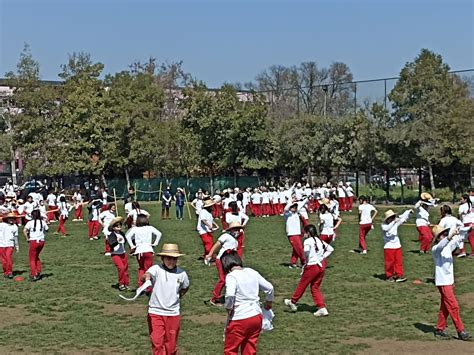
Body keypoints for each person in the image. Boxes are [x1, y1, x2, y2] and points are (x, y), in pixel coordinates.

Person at [222, 251, 274, 355]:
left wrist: (228, 307)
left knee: (230, 350)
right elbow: (270, 288)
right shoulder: (251, 271)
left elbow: (230, 295)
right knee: (249, 349)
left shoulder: (231, 276)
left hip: (239, 318)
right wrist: (268, 302)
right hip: (256, 316)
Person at [142, 243, 189, 355]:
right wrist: (147, 277)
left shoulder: (181, 274)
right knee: (157, 342)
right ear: (162, 258)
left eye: (174, 259)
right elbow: (146, 274)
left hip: (173, 313)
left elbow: (185, 287)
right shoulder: (156, 269)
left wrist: (178, 296)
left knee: (171, 345)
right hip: (155, 312)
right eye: (168, 258)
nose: (171, 261)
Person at [431, 225, 471, 341]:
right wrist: (449, 236)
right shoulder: (436, 249)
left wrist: (466, 230)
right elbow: (443, 244)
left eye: (444, 233)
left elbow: (460, 238)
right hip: (443, 282)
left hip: (449, 281)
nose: (443, 235)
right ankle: (460, 330)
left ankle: (440, 328)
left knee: (445, 306)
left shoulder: (447, 246)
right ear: (438, 238)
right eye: (441, 235)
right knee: (453, 306)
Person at [284, 224, 334, 317]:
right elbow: (331, 249)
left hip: (312, 266)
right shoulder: (319, 240)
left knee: (302, 285)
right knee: (315, 287)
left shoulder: (307, 241)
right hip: (320, 266)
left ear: (308, 232)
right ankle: (322, 308)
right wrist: (321, 257)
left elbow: (306, 251)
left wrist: (306, 260)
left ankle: (292, 302)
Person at [206, 221, 242, 306]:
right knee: (223, 279)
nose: (237, 231)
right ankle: (214, 298)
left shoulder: (236, 241)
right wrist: (210, 254)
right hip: (221, 259)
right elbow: (217, 245)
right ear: (230, 230)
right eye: (235, 229)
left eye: (238, 229)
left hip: (231, 261)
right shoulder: (225, 236)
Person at [125, 214, 162, 288]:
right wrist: (155, 243)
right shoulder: (150, 228)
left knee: (141, 268)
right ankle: (148, 287)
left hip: (139, 251)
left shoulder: (135, 229)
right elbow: (159, 234)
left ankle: (140, 284)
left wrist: (132, 246)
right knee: (148, 270)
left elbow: (127, 236)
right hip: (148, 250)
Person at [381, 209, 412, 282]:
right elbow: (387, 229)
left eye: (393, 217)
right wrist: (394, 221)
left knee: (398, 262)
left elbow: (403, 218)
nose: (392, 219)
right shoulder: (383, 225)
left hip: (397, 245)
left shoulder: (395, 223)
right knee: (389, 263)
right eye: (390, 218)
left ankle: (399, 275)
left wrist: (408, 213)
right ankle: (389, 276)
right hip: (388, 247)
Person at [24, 209, 48, 281]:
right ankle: (38, 271)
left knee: (32, 259)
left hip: (34, 241)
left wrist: (27, 238)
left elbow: (24, 230)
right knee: (36, 256)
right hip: (41, 242)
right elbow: (47, 229)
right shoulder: (42, 222)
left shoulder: (30, 223)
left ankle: (34, 274)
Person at [284, 198, 307, 269]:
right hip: (292, 234)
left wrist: (306, 198)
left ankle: (292, 263)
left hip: (298, 234)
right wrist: (291, 201)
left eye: (296, 207)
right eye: (293, 207)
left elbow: (302, 203)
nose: (295, 208)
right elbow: (286, 208)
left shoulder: (297, 214)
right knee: (300, 249)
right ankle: (304, 263)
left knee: (296, 249)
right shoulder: (287, 214)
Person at [107, 216, 129, 291]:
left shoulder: (122, 233)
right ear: (113, 228)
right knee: (121, 268)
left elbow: (125, 241)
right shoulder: (111, 235)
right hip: (115, 254)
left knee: (125, 269)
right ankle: (121, 284)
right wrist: (117, 241)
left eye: (120, 225)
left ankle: (126, 283)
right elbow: (111, 244)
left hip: (123, 253)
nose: (119, 226)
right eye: (117, 226)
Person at [0, 212, 19, 279]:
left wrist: (17, 246)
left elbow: (16, 237)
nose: (11, 220)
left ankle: (10, 272)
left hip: (10, 245)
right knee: (4, 260)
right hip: (1, 245)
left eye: (13, 218)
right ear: (7, 219)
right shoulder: (2, 225)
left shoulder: (15, 227)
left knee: (8, 258)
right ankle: (5, 272)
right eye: (10, 218)